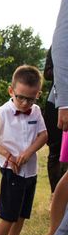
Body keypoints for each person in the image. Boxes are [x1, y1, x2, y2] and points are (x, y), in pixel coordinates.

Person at [0, 65, 48, 235]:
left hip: (29, 170)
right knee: (9, 214)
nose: (24, 103)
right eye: (20, 97)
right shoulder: (1, 113)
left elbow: (43, 135)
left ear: (38, 94)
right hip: (11, 169)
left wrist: (28, 152)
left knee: (22, 212)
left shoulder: (36, 111)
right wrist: (8, 155)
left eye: (30, 99)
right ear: (11, 91)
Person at [33, 0, 68, 235]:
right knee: (59, 162)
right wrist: (65, 101)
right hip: (61, 104)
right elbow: (59, 50)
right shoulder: (57, 46)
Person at [42, 48, 68, 193]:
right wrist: (63, 69)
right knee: (55, 151)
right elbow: (47, 73)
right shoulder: (59, 44)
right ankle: (55, 194)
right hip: (57, 104)